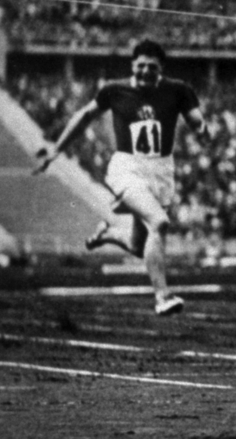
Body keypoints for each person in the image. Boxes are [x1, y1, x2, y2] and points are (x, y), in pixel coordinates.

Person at [34, 39, 209, 316]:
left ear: (161, 68)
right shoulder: (115, 90)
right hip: (127, 166)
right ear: (132, 65)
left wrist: (201, 128)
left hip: (161, 170)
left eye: (152, 67)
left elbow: (196, 118)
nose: (145, 72)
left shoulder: (178, 90)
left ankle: (108, 233)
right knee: (159, 223)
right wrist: (57, 149)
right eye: (140, 66)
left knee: (140, 247)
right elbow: (84, 116)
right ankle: (163, 296)